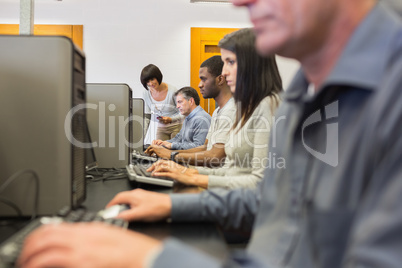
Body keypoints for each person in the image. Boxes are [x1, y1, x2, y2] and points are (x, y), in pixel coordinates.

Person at [18, 0, 402, 267]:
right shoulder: (306, 88)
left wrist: (150, 259)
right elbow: (271, 201)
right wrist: (172, 203)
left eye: (231, 64)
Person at [148, 28, 282, 189]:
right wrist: (185, 171)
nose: (224, 72)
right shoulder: (246, 108)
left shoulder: (267, 105)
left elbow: (258, 182)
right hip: (230, 194)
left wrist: (180, 164)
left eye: (230, 62)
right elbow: (229, 171)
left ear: (252, 64)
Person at [145, 55, 235, 167]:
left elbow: (214, 156)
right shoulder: (216, 112)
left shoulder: (229, 111)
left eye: (203, 79)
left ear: (220, 79)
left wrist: (171, 154)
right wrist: (168, 151)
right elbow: (204, 148)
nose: (199, 85)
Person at [140, 64, 183, 145]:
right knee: (160, 150)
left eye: (152, 79)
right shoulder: (146, 93)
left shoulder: (172, 91)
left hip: (176, 126)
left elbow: (183, 113)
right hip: (161, 127)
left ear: (158, 77)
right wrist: (141, 138)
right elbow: (147, 117)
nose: (151, 83)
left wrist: (171, 119)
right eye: (147, 81)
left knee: (173, 152)